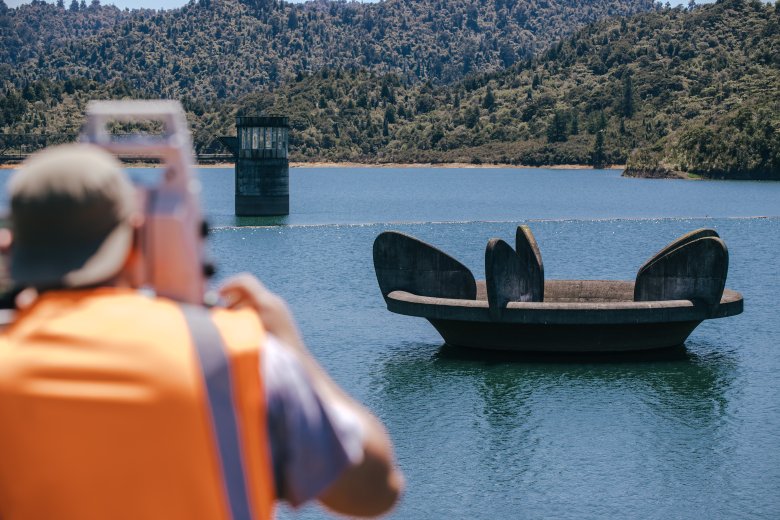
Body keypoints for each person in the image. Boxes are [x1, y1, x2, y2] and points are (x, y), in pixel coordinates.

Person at [0, 144, 403, 519]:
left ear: (10, 245)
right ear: (138, 239)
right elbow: (374, 489)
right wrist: (294, 349)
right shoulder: (233, 351)